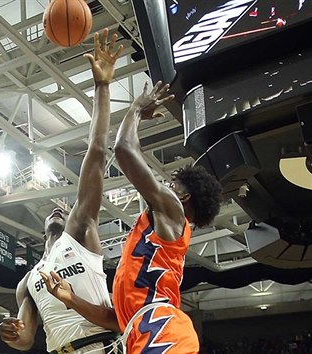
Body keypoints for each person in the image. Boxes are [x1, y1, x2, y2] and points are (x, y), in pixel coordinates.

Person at [43, 81, 223, 353]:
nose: (165, 187)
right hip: (142, 332)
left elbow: (125, 150)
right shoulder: (161, 236)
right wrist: (72, 299)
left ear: (184, 198)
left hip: (163, 330)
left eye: (173, 186)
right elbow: (116, 320)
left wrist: (137, 109)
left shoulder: (173, 211)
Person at [0, 28, 123, 354]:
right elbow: (25, 340)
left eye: (64, 209)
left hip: (103, 347)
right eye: (53, 210)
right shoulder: (28, 281)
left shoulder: (79, 232)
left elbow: (96, 153)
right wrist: (11, 333)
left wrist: (102, 87)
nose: (58, 210)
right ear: (41, 232)